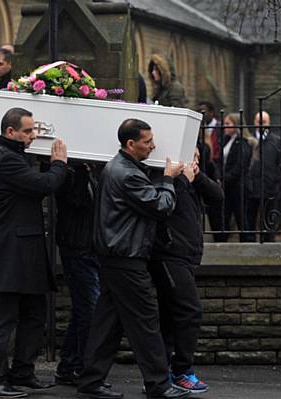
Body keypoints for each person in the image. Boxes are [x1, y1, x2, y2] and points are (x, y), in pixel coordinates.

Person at [77, 118, 189, 399]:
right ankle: (158, 384)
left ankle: (91, 380)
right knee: (145, 321)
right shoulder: (127, 174)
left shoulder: (118, 168)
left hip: (115, 256)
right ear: (131, 144)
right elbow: (162, 207)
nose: (153, 146)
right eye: (147, 141)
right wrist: (167, 179)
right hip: (126, 256)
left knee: (108, 321)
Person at [0, 107, 67, 398]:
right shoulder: (6, 159)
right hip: (8, 249)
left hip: (25, 248)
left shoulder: (15, 155)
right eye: (28, 131)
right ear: (10, 132)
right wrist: (58, 164)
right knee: (3, 318)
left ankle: (23, 372)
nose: (33, 136)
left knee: (34, 314)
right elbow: (45, 184)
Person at [149, 147, 223, 395]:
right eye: (191, 154)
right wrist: (179, 179)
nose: (196, 158)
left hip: (187, 255)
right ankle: (181, 371)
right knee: (190, 311)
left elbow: (217, 196)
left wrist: (197, 175)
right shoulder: (163, 177)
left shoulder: (192, 178)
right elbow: (163, 208)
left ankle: (163, 374)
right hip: (168, 255)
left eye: (198, 154)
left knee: (170, 316)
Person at [53, 163, 101, 385]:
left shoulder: (89, 171)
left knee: (83, 310)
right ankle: (82, 369)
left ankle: (69, 366)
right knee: (90, 311)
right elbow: (75, 201)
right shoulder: (69, 172)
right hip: (77, 249)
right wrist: (82, 171)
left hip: (87, 248)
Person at [213, 113, 255, 242]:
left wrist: (224, 180)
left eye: (227, 124)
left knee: (241, 218)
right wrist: (219, 177)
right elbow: (219, 161)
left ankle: (247, 243)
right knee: (224, 217)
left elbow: (239, 167)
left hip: (239, 187)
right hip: (226, 186)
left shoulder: (243, 143)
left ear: (236, 125)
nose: (224, 127)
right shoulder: (225, 140)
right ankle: (221, 242)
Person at [247, 110, 281, 242]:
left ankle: (268, 244)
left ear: (269, 123)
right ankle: (249, 245)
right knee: (249, 220)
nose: (261, 124)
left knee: (268, 221)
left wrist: (278, 185)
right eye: (259, 121)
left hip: (269, 187)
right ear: (254, 123)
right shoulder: (248, 140)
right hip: (250, 187)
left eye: (264, 121)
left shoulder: (276, 141)